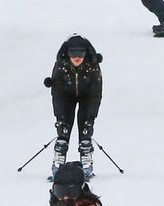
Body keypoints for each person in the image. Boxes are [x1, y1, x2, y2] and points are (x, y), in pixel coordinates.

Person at [44, 34, 103, 180]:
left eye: (81, 53)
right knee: (63, 129)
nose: (77, 57)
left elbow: (95, 94)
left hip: (87, 96)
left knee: (86, 129)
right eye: (73, 53)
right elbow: (57, 94)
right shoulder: (61, 65)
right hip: (65, 95)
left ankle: (86, 162)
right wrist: (60, 117)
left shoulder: (93, 66)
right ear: (68, 53)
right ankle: (58, 163)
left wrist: (90, 118)